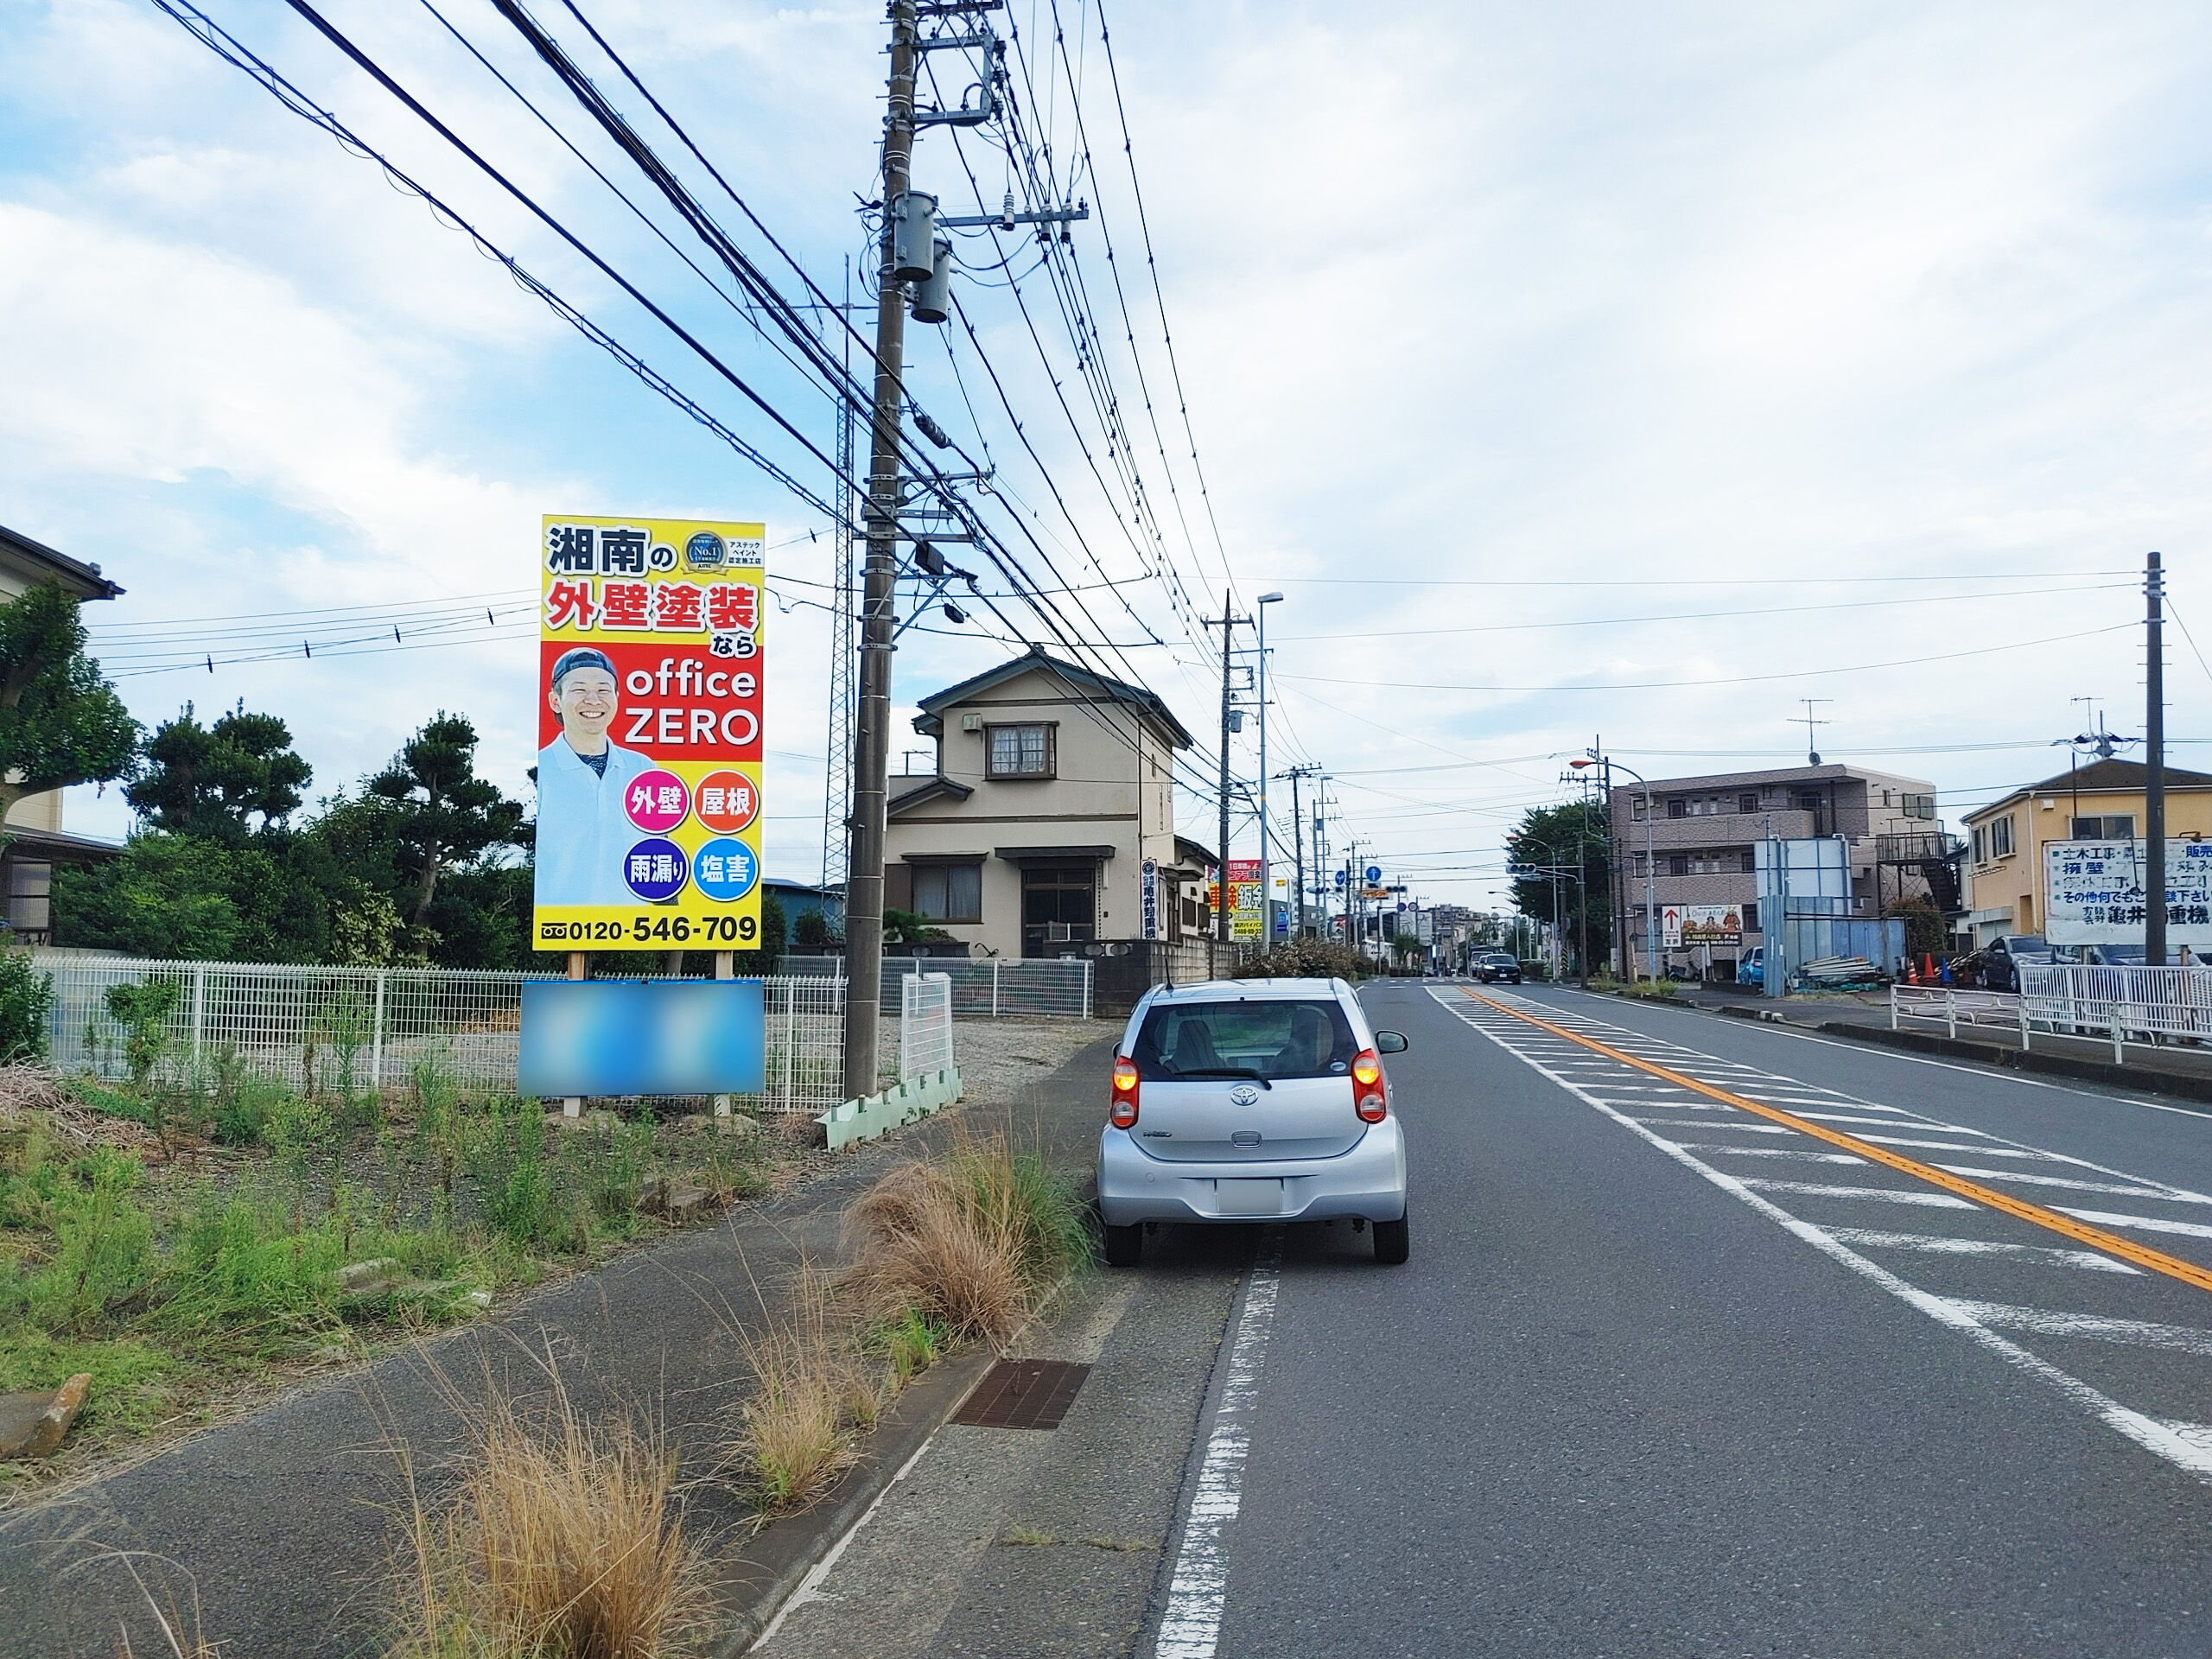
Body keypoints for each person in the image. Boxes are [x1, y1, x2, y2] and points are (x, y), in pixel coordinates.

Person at [536, 648, 658, 906]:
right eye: (579, 689)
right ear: (555, 700)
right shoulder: (541, 769)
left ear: (616, 698)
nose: (593, 700)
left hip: (638, 931)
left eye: (603, 690)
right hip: (557, 925)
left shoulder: (643, 768)